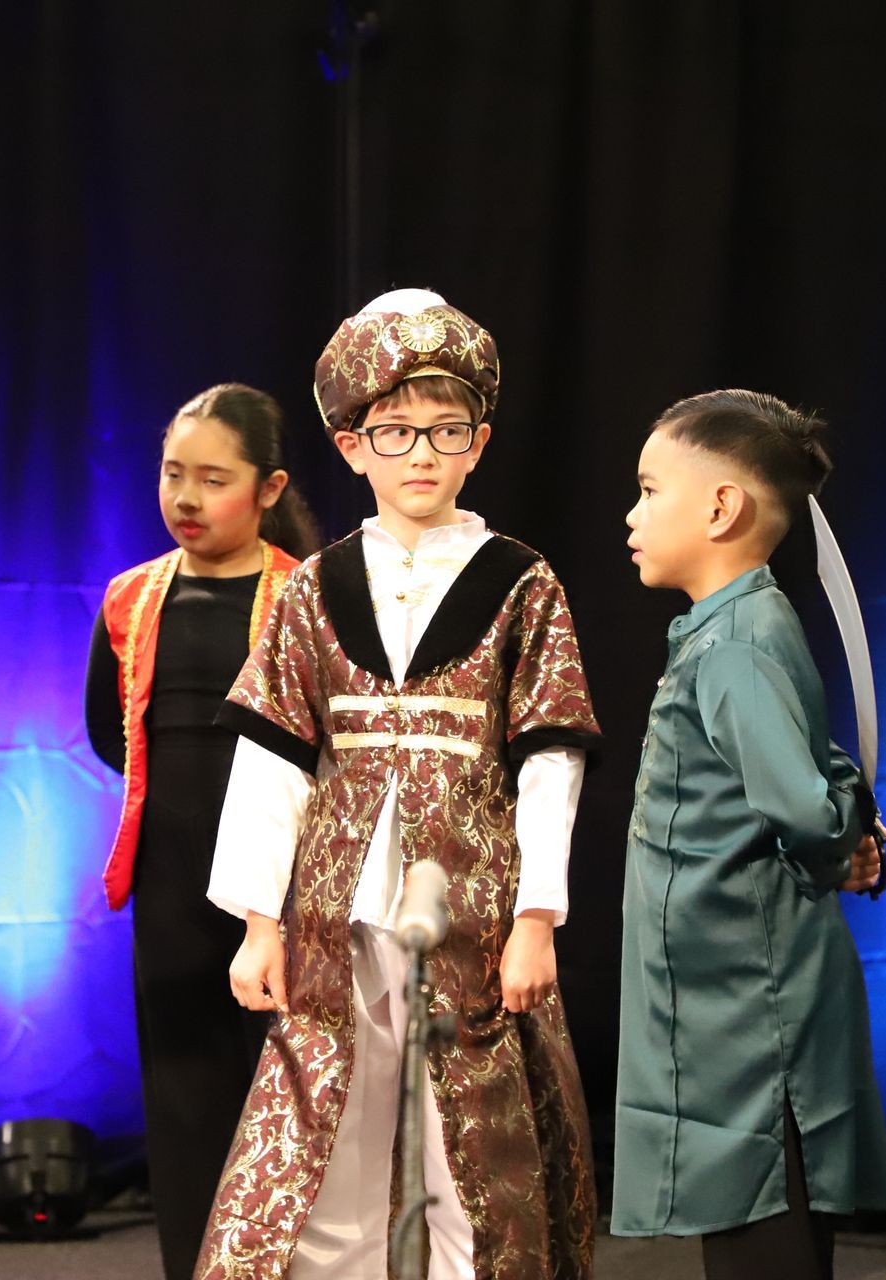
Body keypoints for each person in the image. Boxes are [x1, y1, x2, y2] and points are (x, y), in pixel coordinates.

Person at [196, 291, 599, 1279]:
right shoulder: (311, 588)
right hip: (340, 913)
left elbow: (550, 754)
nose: (421, 452)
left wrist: (538, 913)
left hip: (473, 907)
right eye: (396, 430)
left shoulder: (522, 580)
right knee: (331, 1112)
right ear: (350, 443)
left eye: (445, 429)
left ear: (479, 441)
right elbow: (274, 758)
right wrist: (260, 918)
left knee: (466, 1128)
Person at [615, 389, 886, 1279]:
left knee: (764, 1225)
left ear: (720, 506)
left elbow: (805, 805)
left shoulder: (737, 641)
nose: (632, 513)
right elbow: (812, 773)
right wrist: (844, 822)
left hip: (754, 1009)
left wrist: (843, 833)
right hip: (722, 1001)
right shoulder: (729, 630)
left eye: (650, 489)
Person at [86, 384, 321, 1280]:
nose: (185, 497)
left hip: (284, 884)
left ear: (268, 489)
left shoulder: (307, 597)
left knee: (283, 1085)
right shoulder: (132, 597)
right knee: (183, 1097)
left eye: (212, 479)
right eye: (172, 474)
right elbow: (110, 729)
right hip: (172, 878)